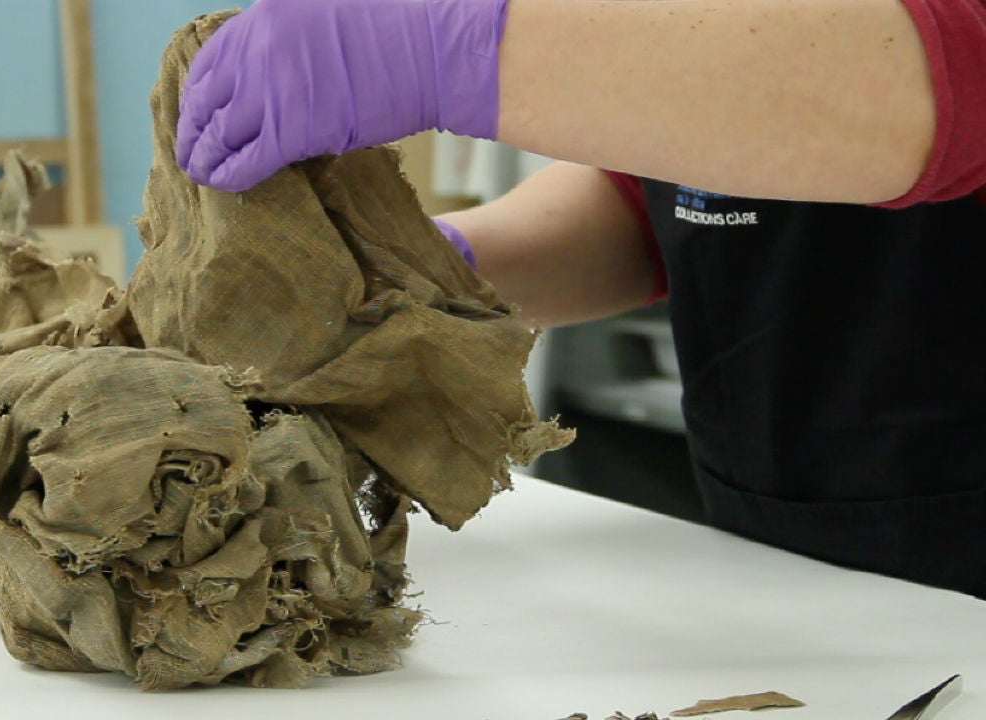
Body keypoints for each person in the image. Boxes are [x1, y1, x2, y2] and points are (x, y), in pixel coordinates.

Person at [175, 0, 986, 599]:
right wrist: (429, 274)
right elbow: (666, 198)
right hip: (782, 560)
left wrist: (449, 51)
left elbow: (940, 80)